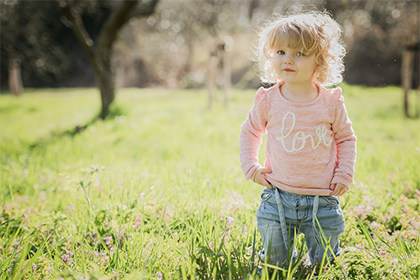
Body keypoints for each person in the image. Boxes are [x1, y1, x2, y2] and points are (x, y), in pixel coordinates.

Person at [239, 11, 357, 268]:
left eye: (299, 53)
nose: (288, 60)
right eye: (281, 53)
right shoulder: (269, 100)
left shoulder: (331, 103)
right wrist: (251, 168)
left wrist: (344, 173)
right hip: (278, 197)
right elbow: (250, 132)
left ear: (320, 61)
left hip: (322, 200)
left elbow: (346, 139)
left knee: (325, 263)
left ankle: (317, 264)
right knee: (274, 263)